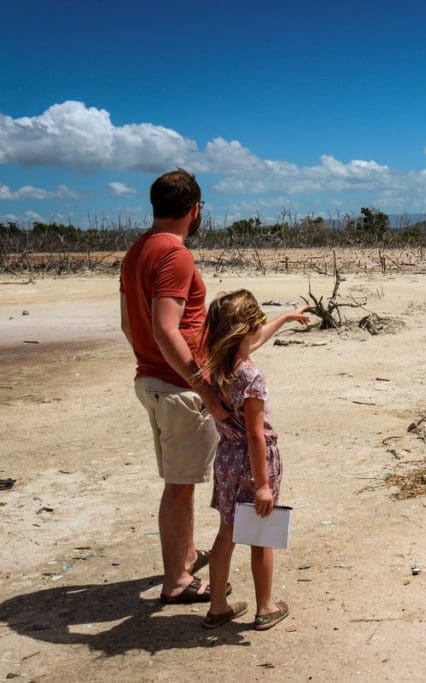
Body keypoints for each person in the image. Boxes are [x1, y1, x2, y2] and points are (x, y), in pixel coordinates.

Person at [120, 169, 229, 604]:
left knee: (179, 478)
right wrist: (202, 384)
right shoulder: (175, 254)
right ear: (195, 209)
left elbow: (131, 324)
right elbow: (167, 328)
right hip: (177, 386)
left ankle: (185, 553)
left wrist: (150, 362)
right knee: (181, 485)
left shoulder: (136, 251)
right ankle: (177, 581)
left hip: (152, 380)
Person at [198, 290, 308, 630]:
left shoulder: (219, 366)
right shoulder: (251, 376)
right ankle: (265, 607)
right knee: (261, 534)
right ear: (246, 329)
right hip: (253, 462)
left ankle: (217, 607)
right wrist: (263, 485)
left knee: (226, 533)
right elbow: (256, 436)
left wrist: (287, 317)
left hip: (227, 458)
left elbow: (256, 340)